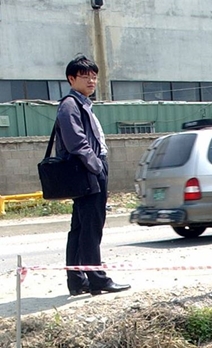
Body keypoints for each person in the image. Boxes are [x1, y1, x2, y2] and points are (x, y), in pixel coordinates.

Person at [55, 55, 130, 297]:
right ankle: (97, 280)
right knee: (91, 228)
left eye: (94, 75)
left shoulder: (82, 103)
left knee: (79, 228)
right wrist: (96, 165)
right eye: (85, 76)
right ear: (71, 78)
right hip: (86, 172)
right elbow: (76, 141)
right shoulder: (70, 104)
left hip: (86, 171)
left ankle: (77, 281)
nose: (91, 80)